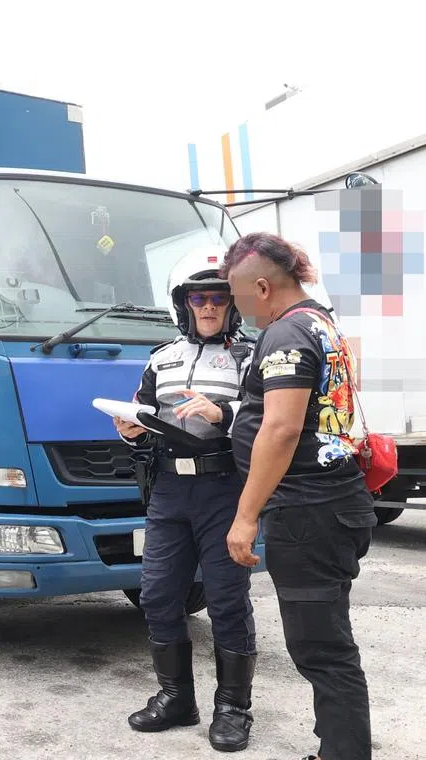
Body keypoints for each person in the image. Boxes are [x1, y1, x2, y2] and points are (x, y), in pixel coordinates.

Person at [221, 232, 376, 760]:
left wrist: (245, 516)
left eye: (237, 295)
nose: (236, 307)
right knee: (325, 640)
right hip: (333, 505)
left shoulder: (286, 333)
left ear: (262, 287)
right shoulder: (321, 323)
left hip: (309, 513)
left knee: (322, 649)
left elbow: (282, 429)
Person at [115, 249, 259, 752]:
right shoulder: (161, 359)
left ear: (231, 304)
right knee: (156, 594)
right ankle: (176, 698)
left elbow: (268, 417)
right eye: (199, 298)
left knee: (226, 600)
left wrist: (223, 413)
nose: (209, 306)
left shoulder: (248, 357)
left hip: (225, 489)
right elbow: (143, 414)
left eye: (219, 297)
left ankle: (233, 709)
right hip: (170, 491)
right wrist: (130, 429)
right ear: (184, 304)